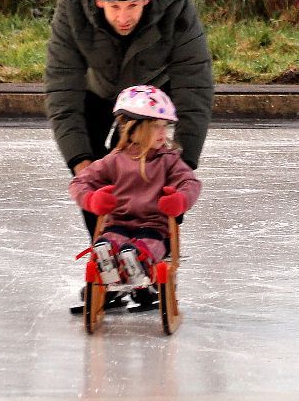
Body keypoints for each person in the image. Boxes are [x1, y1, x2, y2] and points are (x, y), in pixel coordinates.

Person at [46, 0, 214, 236]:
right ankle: (106, 248)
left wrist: (181, 171)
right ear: (99, 1)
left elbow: (194, 87)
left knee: (159, 167)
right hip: (98, 92)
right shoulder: (71, 10)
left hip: (155, 97)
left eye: (132, 5)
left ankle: (156, 249)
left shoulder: (177, 8)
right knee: (98, 173)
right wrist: (81, 162)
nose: (123, 17)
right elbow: (62, 90)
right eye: (114, 6)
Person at [69, 86, 202, 313]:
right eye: (155, 127)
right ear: (133, 128)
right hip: (118, 224)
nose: (163, 133)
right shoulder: (114, 160)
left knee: (140, 249)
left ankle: (139, 272)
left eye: (165, 126)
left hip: (154, 228)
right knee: (108, 244)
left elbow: (190, 183)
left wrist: (180, 200)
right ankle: (109, 271)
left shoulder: (168, 160)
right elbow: (79, 183)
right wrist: (93, 200)